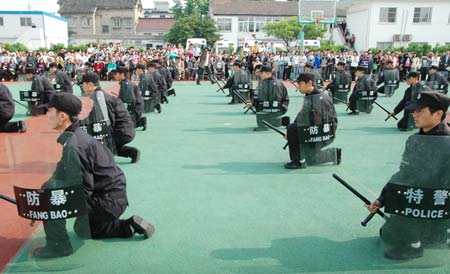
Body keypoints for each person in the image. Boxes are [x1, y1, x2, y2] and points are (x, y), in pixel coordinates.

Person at [33, 92, 154, 258]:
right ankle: (128, 226)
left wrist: (47, 206)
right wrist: (38, 198)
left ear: (62, 116)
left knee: (51, 199)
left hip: (106, 200)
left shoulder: (75, 145)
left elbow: (83, 191)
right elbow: (60, 172)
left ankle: (58, 246)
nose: (46, 114)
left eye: (49, 111)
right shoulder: (74, 136)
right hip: (111, 196)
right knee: (82, 229)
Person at [366, 91, 450, 260]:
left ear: (438, 114)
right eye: (414, 110)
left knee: (408, 197)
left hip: (437, 204)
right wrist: (382, 199)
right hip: (421, 202)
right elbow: (403, 174)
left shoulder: (447, 144)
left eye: (420, 110)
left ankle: (414, 245)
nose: (414, 114)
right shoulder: (415, 140)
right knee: (387, 234)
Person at [284, 72, 341, 169]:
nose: (298, 87)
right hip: (313, 129)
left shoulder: (321, 98)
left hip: (322, 131)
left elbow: (327, 120)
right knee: (310, 159)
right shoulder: (309, 95)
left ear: (309, 83)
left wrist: (299, 130)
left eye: (300, 84)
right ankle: (333, 154)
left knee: (292, 128)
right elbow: (302, 114)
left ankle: (297, 160)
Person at [80, 72, 140, 163]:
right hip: (126, 130)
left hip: (122, 132)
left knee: (96, 144)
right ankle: (130, 152)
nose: (82, 87)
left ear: (90, 84)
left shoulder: (99, 99)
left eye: (83, 85)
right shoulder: (105, 96)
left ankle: (130, 152)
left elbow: (107, 122)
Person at [249, 65, 289, 131]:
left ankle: (265, 124)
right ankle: (283, 120)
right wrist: (252, 103)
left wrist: (254, 103)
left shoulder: (276, 84)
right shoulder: (265, 82)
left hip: (276, 107)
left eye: (262, 73)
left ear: (268, 73)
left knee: (261, 105)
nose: (260, 75)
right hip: (277, 107)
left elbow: (276, 99)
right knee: (273, 123)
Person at [113, 67, 147, 131]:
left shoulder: (126, 85)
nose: (114, 75)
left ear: (122, 74)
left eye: (116, 73)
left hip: (134, 110)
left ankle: (139, 122)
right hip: (136, 108)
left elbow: (129, 103)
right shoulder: (126, 83)